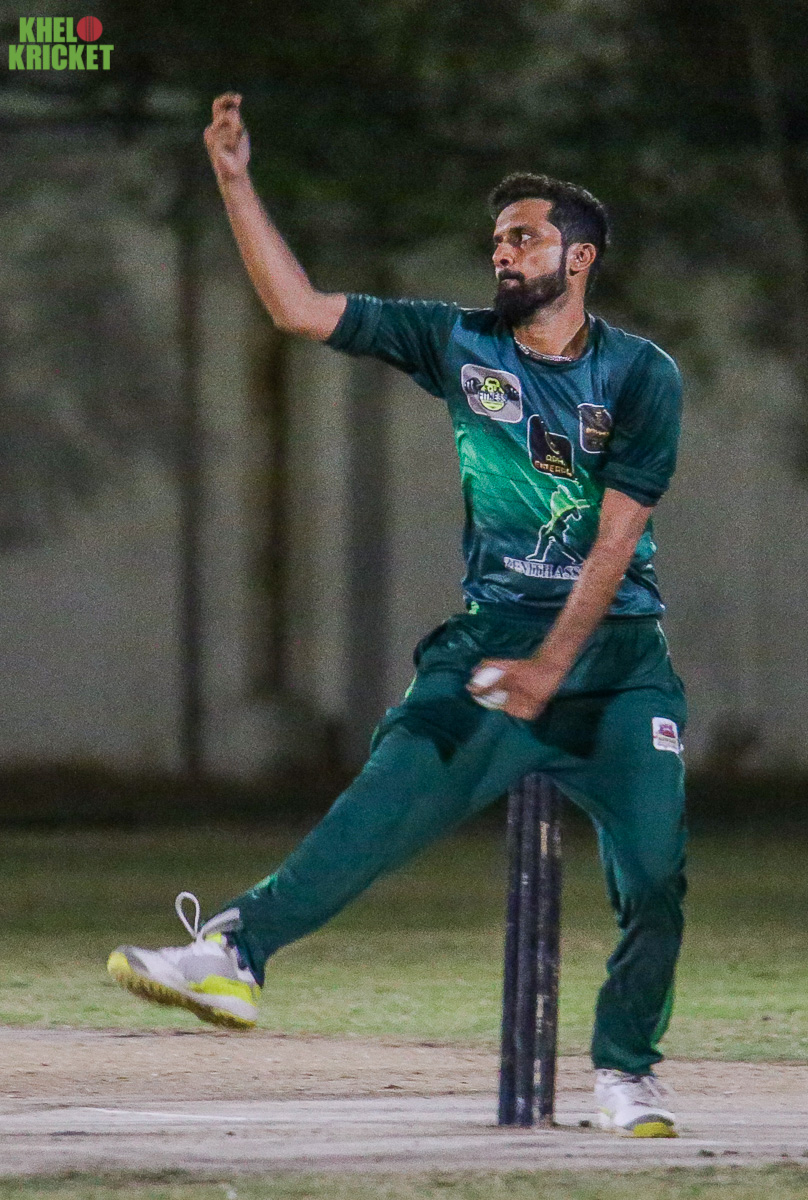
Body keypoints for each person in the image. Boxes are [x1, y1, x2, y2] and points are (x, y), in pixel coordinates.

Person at [108, 93, 687, 1138]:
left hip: (617, 660)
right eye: (496, 240)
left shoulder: (642, 374)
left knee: (654, 877)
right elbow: (299, 308)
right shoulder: (457, 341)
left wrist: (554, 668)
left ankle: (625, 1073)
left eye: (524, 238)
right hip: (495, 640)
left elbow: (613, 544)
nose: (502, 253)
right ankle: (233, 952)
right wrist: (236, 181)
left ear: (580, 258)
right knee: (385, 798)